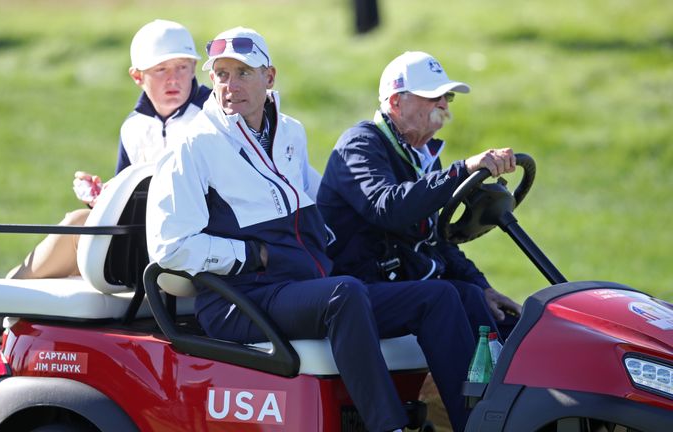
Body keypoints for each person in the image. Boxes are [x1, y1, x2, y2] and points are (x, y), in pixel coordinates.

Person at [147, 27, 478, 432]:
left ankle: (479, 422)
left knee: (439, 297)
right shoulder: (191, 145)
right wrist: (253, 255)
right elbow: (169, 248)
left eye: (243, 73)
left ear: (270, 77)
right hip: (241, 298)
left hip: (300, 287)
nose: (230, 86)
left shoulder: (289, 132)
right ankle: (389, 426)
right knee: (344, 294)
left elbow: (318, 206)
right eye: (221, 74)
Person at [0, 19, 211, 344]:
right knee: (79, 221)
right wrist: (104, 196)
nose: (174, 79)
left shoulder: (210, 117)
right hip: (143, 242)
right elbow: (133, 189)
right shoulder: (134, 127)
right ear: (137, 77)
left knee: (76, 225)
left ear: (195, 67)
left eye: (182, 67)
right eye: (161, 70)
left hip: (186, 246)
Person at [316, 51, 522, 340]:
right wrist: (460, 171)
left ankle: (506, 383)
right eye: (431, 95)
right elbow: (388, 207)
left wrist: (482, 286)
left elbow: (437, 240)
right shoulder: (360, 143)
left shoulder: (424, 158)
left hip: (402, 285)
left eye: (447, 97)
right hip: (355, 292)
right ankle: (467, 387)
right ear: (395, 102)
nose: (443, 103)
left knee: (476, 299)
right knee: (442, 296)